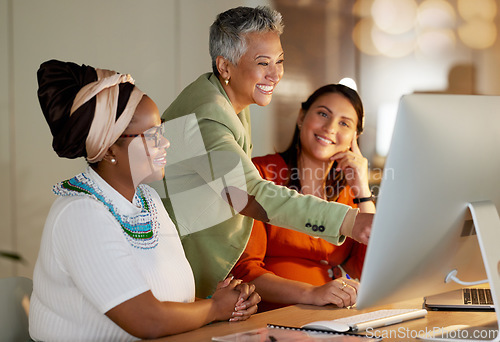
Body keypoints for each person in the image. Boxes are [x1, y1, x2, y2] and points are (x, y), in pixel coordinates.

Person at [29, 60, 260, 342]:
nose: (166, 143)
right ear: (111, 148)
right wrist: (214, 308)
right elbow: (146, 319)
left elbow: (168, 299)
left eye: (162, 131)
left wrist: (229, 302)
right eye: (152, 135)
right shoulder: (80, 213)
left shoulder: (147, 199)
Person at [158, 5, 373, 299]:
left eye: (279, 61)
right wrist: (349, 221)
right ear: (224, 67)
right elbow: (249, 194)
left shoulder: (227, 102)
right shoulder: (208, 117)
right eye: (263, 63)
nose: (276, 75)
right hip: (170, 274)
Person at [232, 84, 376, 312]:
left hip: (331, 317)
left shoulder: (348, 193)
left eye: (344, 123)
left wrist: (362, 191)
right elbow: (245, 272)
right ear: (301, 116)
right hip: (273, 316)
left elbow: (371, 270)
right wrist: (313, 293)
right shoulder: (260, 175)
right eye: (323, 114)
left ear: (354, 138)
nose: (330, 127)